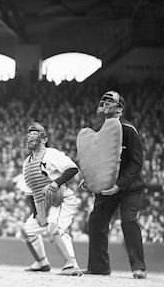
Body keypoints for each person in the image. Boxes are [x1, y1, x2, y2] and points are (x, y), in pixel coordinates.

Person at [84, 91, 146, 279]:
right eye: (103, 99)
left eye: (110, 101)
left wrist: (119, 185)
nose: (104, 102)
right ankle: (98, 267)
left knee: (128, 221)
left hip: (129, 188)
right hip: (106, 185)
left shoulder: (128, 130)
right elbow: (95, 160)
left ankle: (139, 267)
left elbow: (136, 162)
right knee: (96, 222)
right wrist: (89, 177)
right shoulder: (98, 130)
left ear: (120, 109)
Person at [20, 122, 83, 276]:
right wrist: (37, 214)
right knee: (26, 231)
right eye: (29, 135)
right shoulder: (27, 163)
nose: (31, 137)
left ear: (44, 139)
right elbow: (30, 192)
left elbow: (72, 168)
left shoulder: (51, 153)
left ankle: (72, 264)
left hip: (61, 199)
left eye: (35, 134)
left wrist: (55, 183)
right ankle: (42, 263)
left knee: (54, 230)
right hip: (43, 203)